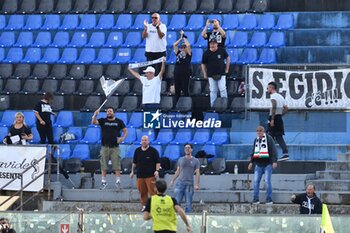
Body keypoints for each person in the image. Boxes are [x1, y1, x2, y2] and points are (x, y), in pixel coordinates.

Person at [91, 107, 128, 190]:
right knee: (103, 165)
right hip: (105, 147)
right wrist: (95, 115)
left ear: (113, 112)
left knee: (117, 166)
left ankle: (118, 182)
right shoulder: (103, 120)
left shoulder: (119, 121)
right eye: (108, 111)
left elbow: (125, 131)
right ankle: (103, 182)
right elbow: (93, 122)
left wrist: (122, 138)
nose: (109, 112)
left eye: (110, 111)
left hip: (115, 147)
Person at [248, 126, 277, 204]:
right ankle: (256, 198)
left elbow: (273, 149)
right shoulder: (256, 140)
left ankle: (269, 199)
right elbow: (253, 151)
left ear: (263, 131)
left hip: (268, 163)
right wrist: (251, 162)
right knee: (255, 181)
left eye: (260, 131)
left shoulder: (269, 139)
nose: (259, 132)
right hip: (258, 164)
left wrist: (274, 161)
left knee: (267, 181)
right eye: (257, 131)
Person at [130, 135, 161, 211]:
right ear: (141, 141)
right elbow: (134, 162)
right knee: (142, 192)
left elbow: (158, 162)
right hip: (140, 175)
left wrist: (157, 171)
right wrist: (132, 171)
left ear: (148, 141)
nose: (144, 142)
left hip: (150, 175)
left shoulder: (153, 151)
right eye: (143, 140)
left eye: (145, 140)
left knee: (152, 192)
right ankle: (144, 206)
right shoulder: (137, 151)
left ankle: (154, 206)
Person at [170, 143, 200, 213]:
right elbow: (178, 171)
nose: (187, 149)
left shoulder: (196, 161)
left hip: (189, 184)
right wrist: (173, 180)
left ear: (191, 149)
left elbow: (197, 173)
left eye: (189, 148)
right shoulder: (180, 159)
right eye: (186, 148)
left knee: (188, 203)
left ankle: (188, 219)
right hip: (180, 183)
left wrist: (196, 184)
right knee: (176, 202)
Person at [201, 38, 230, 108]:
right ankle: (213, 106)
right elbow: (203, 64)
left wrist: (227, 68)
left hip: (221, 73)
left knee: (222, 89)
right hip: (211, 75)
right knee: (213, 91)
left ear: (217, 44)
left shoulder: (221, 50)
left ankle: (224, 105)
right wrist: (204, 73)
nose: (212, 45)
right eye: (211, 43)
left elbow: (228, 58)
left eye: (214, 43)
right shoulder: (206, 53)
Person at [267, 81, 289, 161]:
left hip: (274, 118)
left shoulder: (273, 96)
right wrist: (280, 115)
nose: (267, 90)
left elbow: (274, 106)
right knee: (278, 137)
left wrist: (272, 119)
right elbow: (286, 108)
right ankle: (285, 153)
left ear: (272, 88)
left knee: (269, 137)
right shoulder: (280, 96)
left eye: (268, 88)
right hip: (279, 117)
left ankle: (269, 155)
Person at [173, 30, 192, 102]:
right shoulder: (178, 53)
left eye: (184, 47)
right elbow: (174, 45)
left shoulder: (189, 54)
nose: (183, 48)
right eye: (182, 47)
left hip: (185, 73)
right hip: (177, 73)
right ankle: (176, 104)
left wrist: (184, 38)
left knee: (185, 89)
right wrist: (180, 39)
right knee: (177, 90)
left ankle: (187, 104)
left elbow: (188, 45)